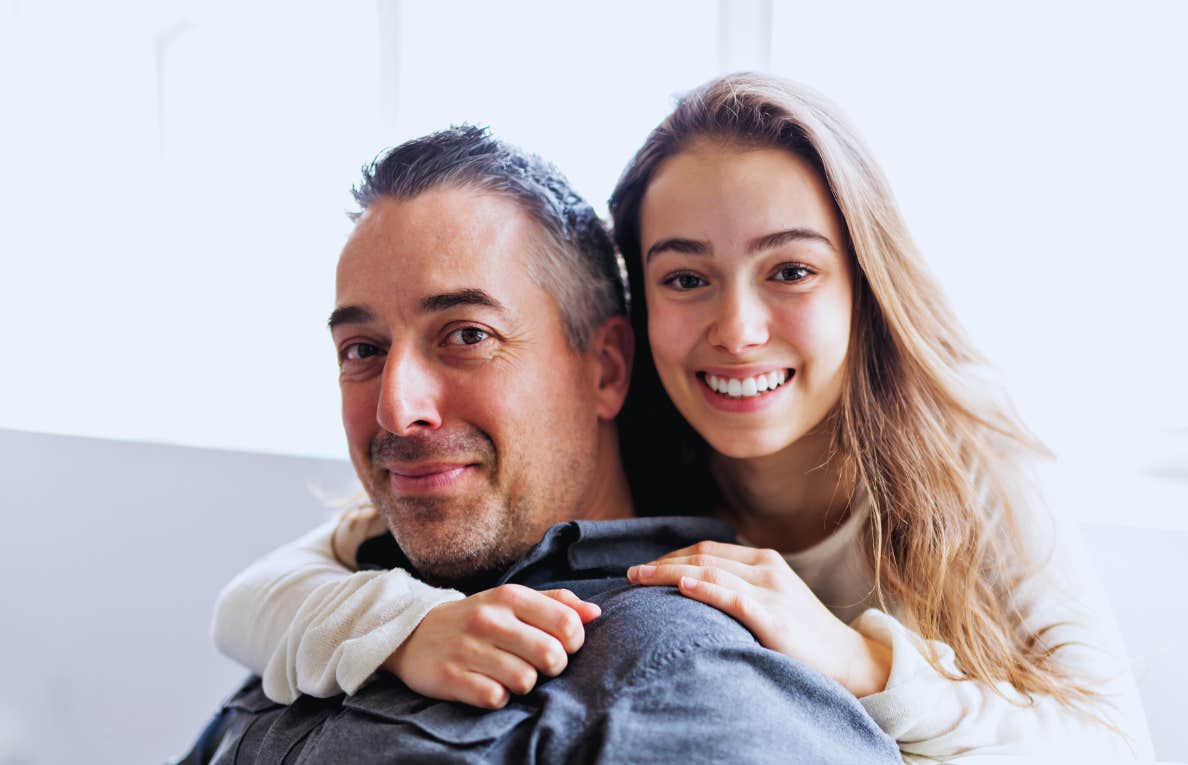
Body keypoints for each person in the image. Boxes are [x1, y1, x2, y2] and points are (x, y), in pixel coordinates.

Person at [213, 74, 1155, 761]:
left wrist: (861, 661)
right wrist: (405, 629)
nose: (737, 330)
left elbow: (1114, 747)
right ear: (629, 329)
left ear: (862, 284)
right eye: (686, 278)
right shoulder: (632, 437)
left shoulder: (962, 454)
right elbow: (263, 592)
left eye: (790, 270)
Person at [181, 124, 900, 764]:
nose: (398, 411)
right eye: (362, 348)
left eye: (467, 336)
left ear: (606, 368)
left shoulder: (694, 672)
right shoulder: (349, 603)